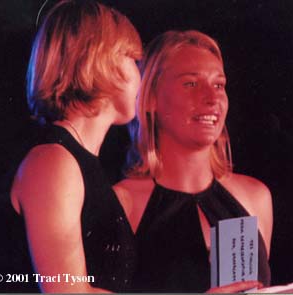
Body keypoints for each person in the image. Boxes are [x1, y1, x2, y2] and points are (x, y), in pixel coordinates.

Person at [0, 0, 142, 293]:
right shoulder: (53, 163)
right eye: (133, 61)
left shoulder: (77, 164)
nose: (140, 76)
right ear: (103, 61)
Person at [113, 30, 273, 293]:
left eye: (219, 85)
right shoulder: (122, 203)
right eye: (191, 84)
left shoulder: (255, 198)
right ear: (149, 97)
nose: (212, 99)